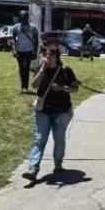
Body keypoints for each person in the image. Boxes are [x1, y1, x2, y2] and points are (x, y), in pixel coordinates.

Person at [21, 46, 79, 181]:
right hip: (43, 111)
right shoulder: (41, 68)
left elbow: (75, 88)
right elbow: (34, 85)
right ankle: (33, 169)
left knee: (59, 139)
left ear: (57, 56)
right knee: (39, 139)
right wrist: (42, 69)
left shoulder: (65, 70)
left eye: (51, 55)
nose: (48, 57)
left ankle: (58, 164)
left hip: (62, 111)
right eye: (46, 54)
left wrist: (62, 88)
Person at [12, 10, 39, 94]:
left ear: (27, 17)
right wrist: (14, 50)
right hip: (19, 51)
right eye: (21, 16)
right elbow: (13, 40)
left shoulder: (33, 28)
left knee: (25, 67)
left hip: (28, 51)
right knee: (21, 69)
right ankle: (23, 85)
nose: (23, 17)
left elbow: (36, 41)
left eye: (24, 16)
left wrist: (35, 52)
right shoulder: (16, 27)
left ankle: (25, 87)